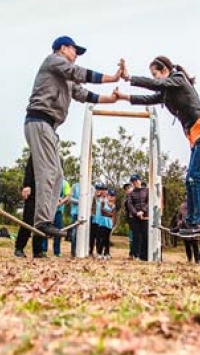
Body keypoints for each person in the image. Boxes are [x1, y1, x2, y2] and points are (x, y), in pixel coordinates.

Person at [24, 35, 125, 239]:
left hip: (50, 127)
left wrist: (111, 100)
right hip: (39, 120)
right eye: (74, 51)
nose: (76, 56)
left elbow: (84, 94)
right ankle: (42, 221)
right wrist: (112, 78)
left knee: (58, 176)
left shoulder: (66, 80)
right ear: (63, 48)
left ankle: (47, 219)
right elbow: (78, 73)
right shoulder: (53, 61)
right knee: (47, 173)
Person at [115, 56, 200, 236]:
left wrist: (129, 77)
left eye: (155, 74)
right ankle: (190, 221)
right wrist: (124, 97)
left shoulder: (178, 79)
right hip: (197, 136)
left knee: (196, 178)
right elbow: (148, 98)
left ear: (165, 70)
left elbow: (155, 85)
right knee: (190, 180)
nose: (155, 78)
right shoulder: (167, 91)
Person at [15, 157, 47, 258]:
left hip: (45, 193)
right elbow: (29, 169)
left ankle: (37, 251)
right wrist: (27, 185)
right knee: (28, 221)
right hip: (33, 191)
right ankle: (19, 248)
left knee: (42, 222)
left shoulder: (55, 156)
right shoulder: (36, 151)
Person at [125, 174, 149, 261]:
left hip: (145, 217)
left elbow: (148, 202)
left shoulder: (147, 191)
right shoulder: (131, 193)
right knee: (136, 237)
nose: (134, 183)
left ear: (139, 181)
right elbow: (130, 204)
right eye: (133, 181)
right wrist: (136, 213)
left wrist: (143, 211)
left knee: (145, 235)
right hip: (135, 217)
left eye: (136, 181)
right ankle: (136, 255)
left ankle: (145, 256)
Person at [52, 179, 71, 257]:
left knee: (58, 231)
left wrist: (61, 202)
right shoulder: (50, 179)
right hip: (47, 210)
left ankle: (57, 252)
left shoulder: (65, 183)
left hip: (58, 211)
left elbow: (68, 196)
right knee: (44, 229)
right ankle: (43, 249)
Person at [68, 181, 81, 256]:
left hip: (85, 214)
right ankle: (73, 252)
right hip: (75, 213)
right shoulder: (75, 186)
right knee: (74, 233)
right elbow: (70, 198)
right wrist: (80, 201)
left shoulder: (90, 187)